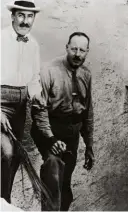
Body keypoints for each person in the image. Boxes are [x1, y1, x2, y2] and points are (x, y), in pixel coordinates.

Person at [31, 32, 95, 211]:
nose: (77, 54)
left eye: (82, 50)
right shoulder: (49, 70)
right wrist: (51, 139)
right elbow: (38, 109)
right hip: (49, 130)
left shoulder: (86, 74)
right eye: (74, 48)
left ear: (87, 52)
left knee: (65, 185)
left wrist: (89, 146)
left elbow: (87, 112)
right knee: (53, 171)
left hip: (71, 134)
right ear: (67, 47)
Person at [1, 0, 44, 203]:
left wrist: (37, 96)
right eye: (21, 15)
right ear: (12, 16)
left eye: (30, 16)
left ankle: (4, 199)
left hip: (20, 106)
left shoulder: (33, 45)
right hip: (1, 103)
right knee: (6, 153)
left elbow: (34, 79)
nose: (25, 21)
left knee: (16, 155)